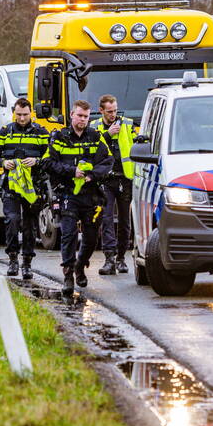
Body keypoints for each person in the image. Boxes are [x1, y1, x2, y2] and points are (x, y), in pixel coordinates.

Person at [43, 100, 111, 296]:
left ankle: (80, 265)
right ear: (72, 114)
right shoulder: (59, 137)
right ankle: (68, 275)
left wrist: (92, 175)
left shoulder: (95, 137)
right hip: (68, 193)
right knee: (68, 234)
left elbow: (108, 161)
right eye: (80, 116)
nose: (83, 120)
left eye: (86, 117)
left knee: (91, 238)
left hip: (91, 195)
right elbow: (47, 162)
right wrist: (72, 171)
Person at [0, 97, 49, 280]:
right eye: (18, 114)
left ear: (31, 113)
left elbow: (51, 157)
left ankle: (27, 263)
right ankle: (13, 259)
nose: (22, 118)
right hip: (11, 185)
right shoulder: (5, 131)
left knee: (30, 226)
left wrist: (37, 161)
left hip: (33, 186)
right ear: (14, 113)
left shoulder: (41, 132)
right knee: (12, 220)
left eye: (25, 114)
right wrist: (4, 162)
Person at [91, 94, 137, 275]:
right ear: (101, 111)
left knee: (125, 221)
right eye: (109, 111)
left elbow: (138, 144)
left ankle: (121, 259)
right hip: (105, 179)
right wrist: (107, 135)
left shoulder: (127, 124)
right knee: (107, 219)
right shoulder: (94, 127)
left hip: (125, 178)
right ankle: (109, 259)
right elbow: (92, 146)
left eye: (115, 111)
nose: (113, 114)